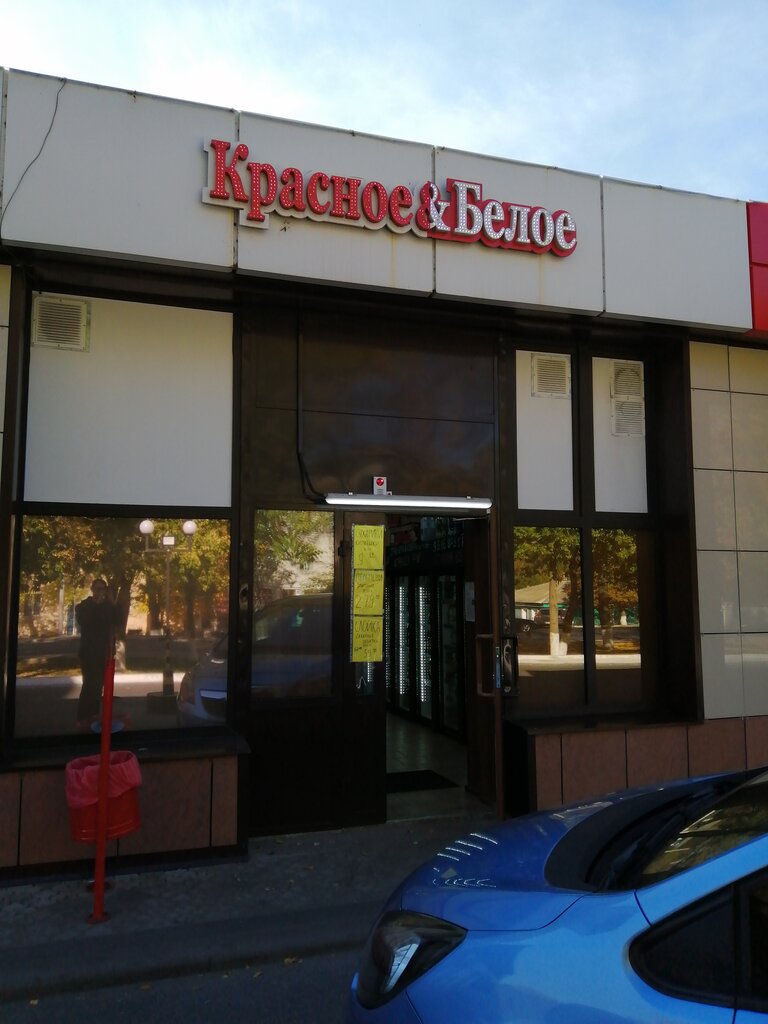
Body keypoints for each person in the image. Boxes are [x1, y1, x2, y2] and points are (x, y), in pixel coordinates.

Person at [75, 578, 127, 728]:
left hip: (105, 653)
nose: (100, 592)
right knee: (89, 685)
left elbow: (119, 619)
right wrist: (97, 604)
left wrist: (112, 602)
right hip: (89, 652)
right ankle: (83, 718)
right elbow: (83, 620)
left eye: (102, 589)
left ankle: (93, 717)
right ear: (92, 589)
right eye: (97, 589)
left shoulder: (108, 607)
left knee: (99, 688)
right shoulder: (84, 606)